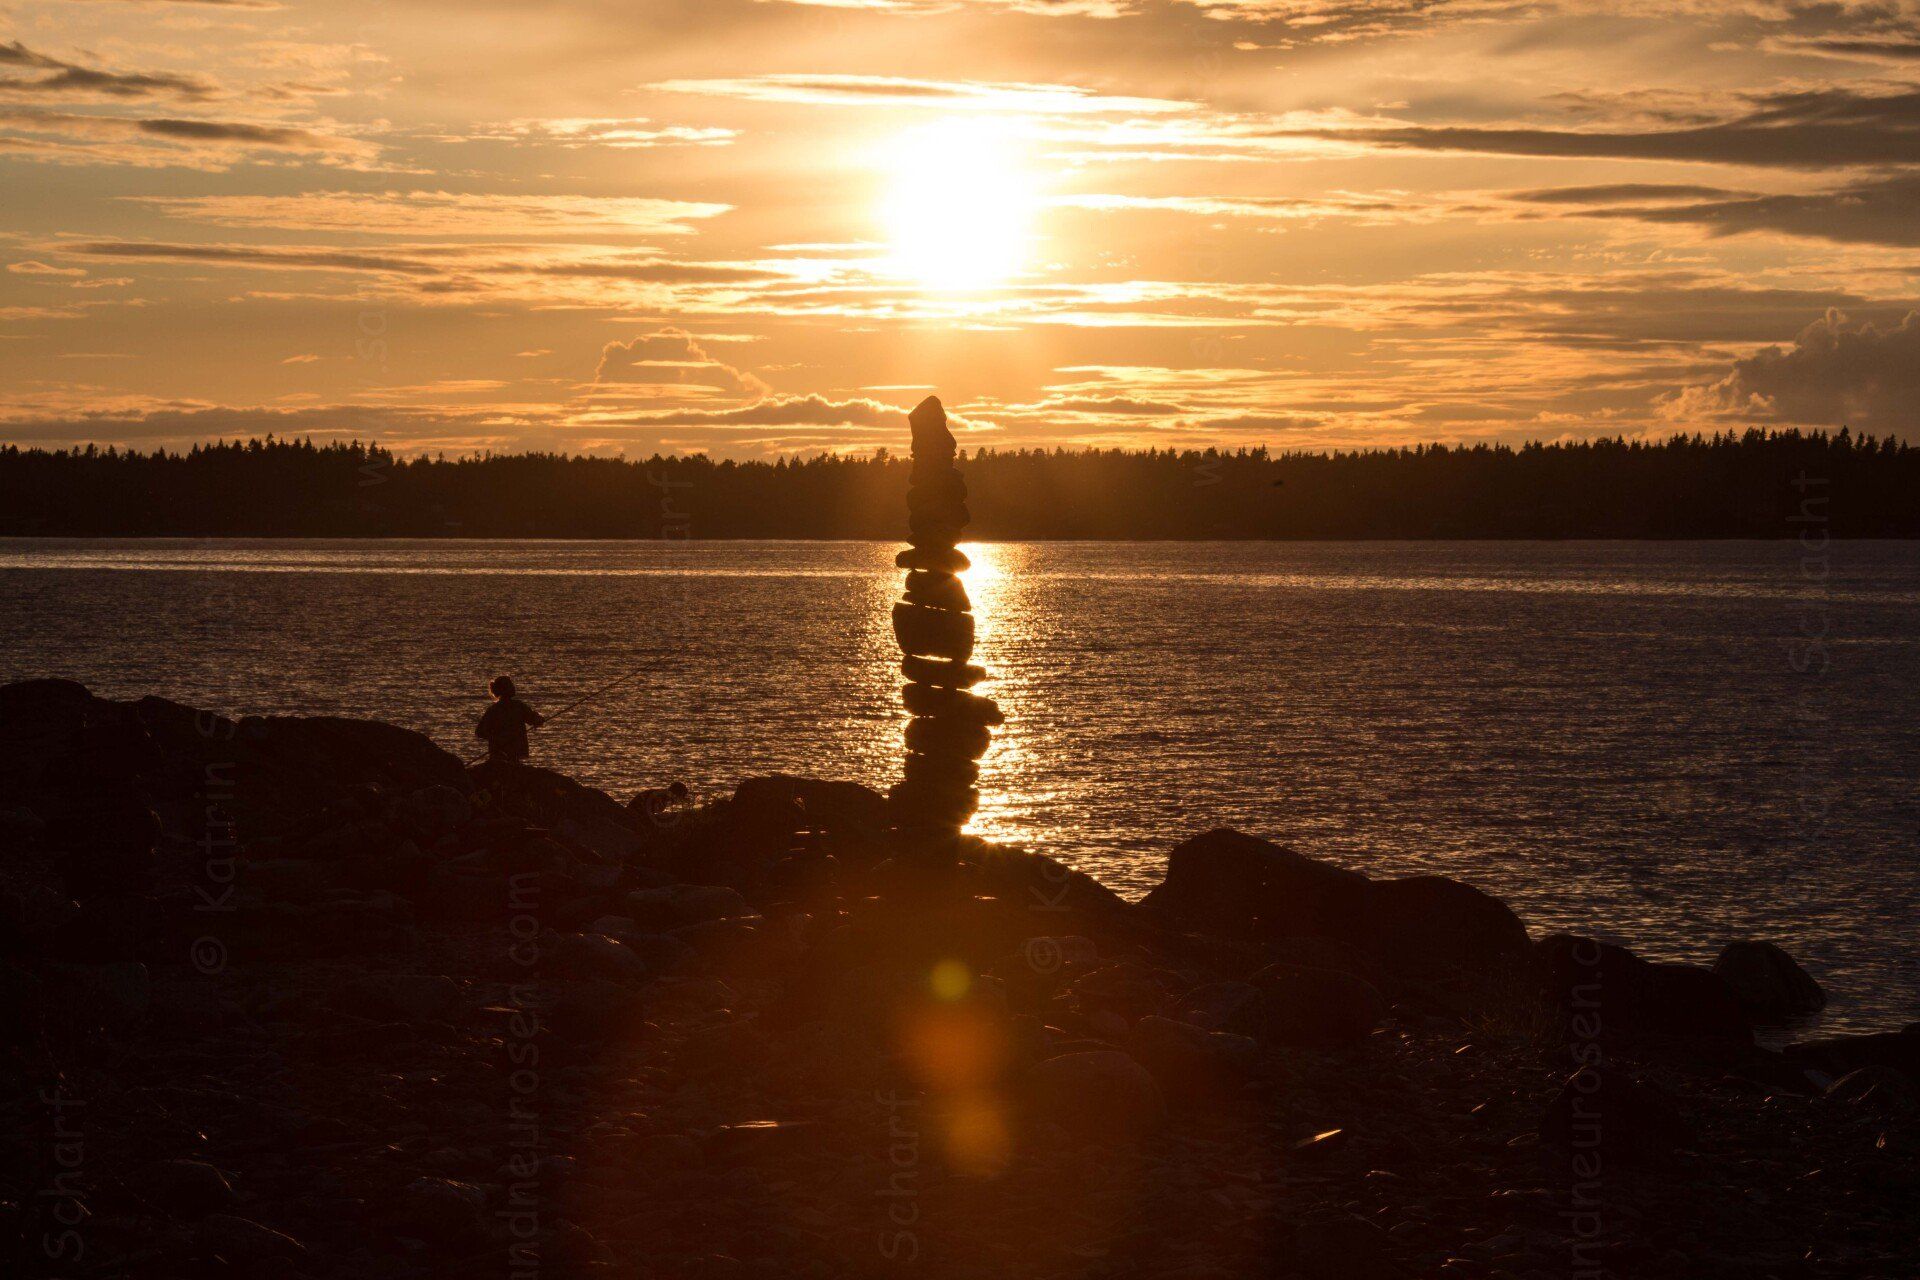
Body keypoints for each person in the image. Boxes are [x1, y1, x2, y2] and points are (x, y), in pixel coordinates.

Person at [476, 675, 545, 766]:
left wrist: (494, 738)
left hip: (500, 753)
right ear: (506, 689)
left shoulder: (493, 710)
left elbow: (480, 732)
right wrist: (539, 720)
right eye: (511, 685)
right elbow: (533, 719)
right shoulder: (518, 707)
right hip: (508, 752)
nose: (513, 687)